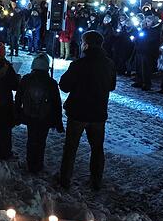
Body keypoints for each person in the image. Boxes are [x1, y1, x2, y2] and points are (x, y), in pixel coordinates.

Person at [58, 30, 116, 190]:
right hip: (98, 113)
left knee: (70, 148)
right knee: (97, 148)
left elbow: (64, 86)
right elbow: (112, 86)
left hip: (78, 112)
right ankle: (96, 180)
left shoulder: (78, 64)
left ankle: (65, 179)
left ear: (87, 44)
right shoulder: (109, 64)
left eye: (83, 42)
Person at [15, 53, 63, 173]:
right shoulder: (51, 83)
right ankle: (38, 164)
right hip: (45, 117)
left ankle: (31, 163)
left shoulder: (26, 79)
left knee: (31, 139)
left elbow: (18, 98)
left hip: (29, 115)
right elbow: (57, 103)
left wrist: (17, 114)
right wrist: (58, 121)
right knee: (41, 141)